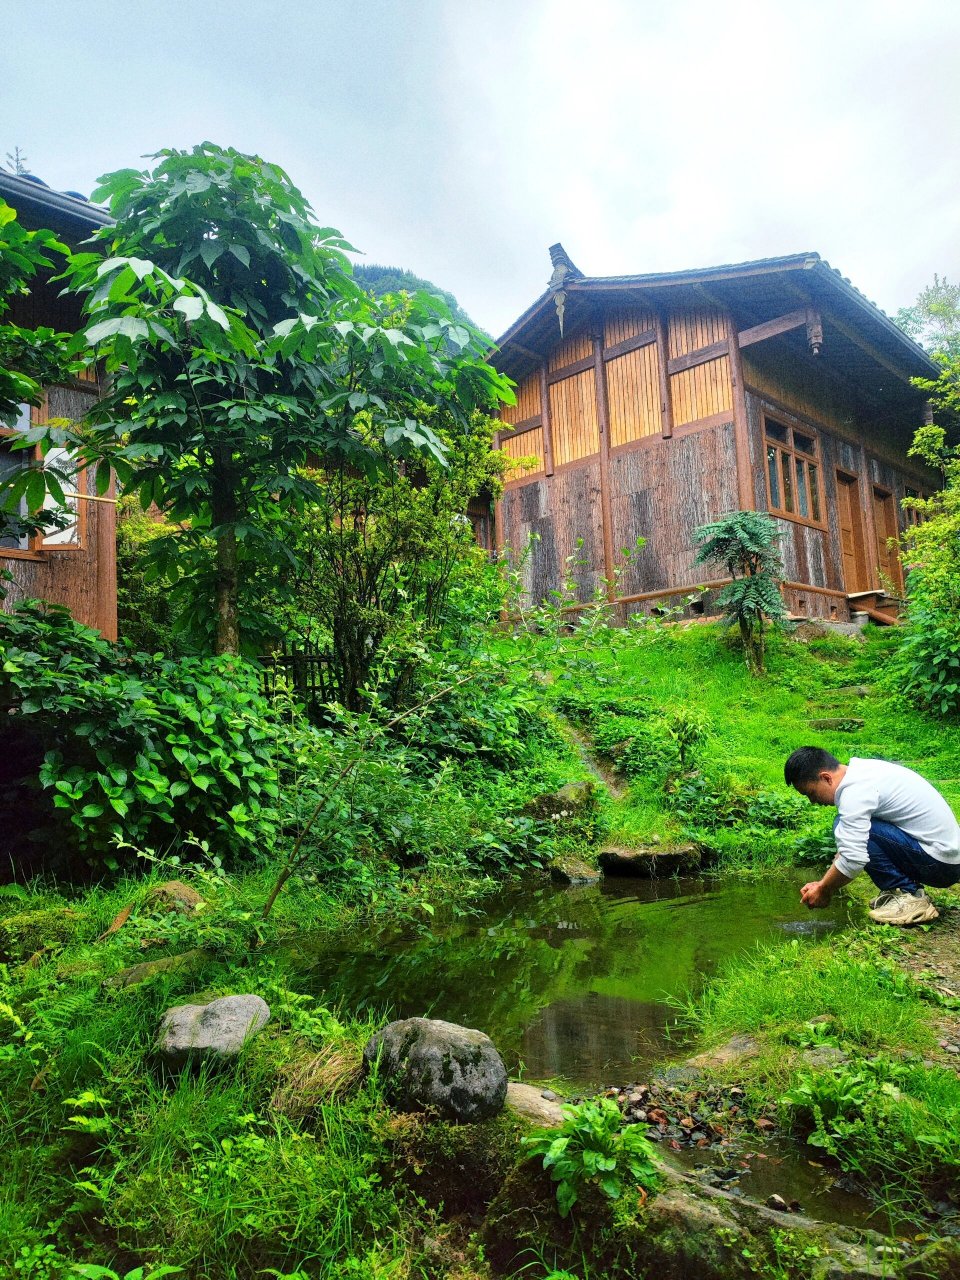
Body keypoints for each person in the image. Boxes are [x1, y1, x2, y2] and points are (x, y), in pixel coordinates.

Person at [784, 746, 960, 926]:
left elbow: (853, 858)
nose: (813, 801)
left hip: (940, 864)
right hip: (945, 857)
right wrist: (822, 883)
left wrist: (825, 889)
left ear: (826, 778)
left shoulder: (855, 791)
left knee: (844, 826)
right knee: (846, 827)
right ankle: (901, 891)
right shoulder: (862, 772)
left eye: (811, 793)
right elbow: (848, 845)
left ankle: (909, 895)